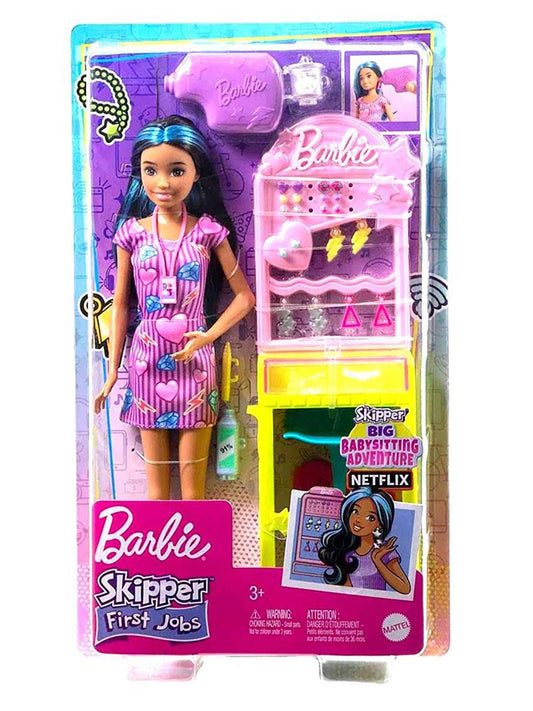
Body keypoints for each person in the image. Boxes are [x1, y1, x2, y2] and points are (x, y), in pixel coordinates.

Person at [94, 116, 255, 501]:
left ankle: (195, 543)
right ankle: (161, 542)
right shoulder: (131, 234)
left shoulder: (208, 232)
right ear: (140, 173)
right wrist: (113, 372)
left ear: (196, 173)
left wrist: (207, 337)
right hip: (146, 361)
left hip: (195, 364)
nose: (163, 183)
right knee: (156, 489)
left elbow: (244, 298)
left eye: (176, 171)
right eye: (151, 170)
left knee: (193, 488)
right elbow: (121, 304)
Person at [318, 487, 411, 594]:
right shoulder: (346, 550)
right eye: (355, 511)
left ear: (380, 524)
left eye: (370, 517)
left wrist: (378, 562)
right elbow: (345, 591)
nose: (358, 520)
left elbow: (405, 588)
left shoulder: (384, 551)